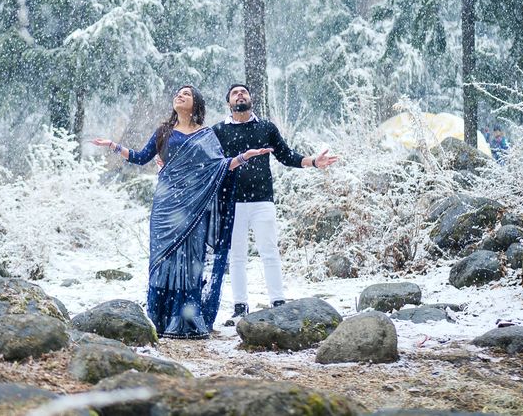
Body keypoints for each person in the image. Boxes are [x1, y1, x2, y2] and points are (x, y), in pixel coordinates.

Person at [92, 85, 271, 339]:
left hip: (194, 207)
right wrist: (113, 145)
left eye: (186, 94)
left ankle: (185, 319)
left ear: (195, 103)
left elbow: (218, 167)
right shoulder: (164, 131)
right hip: (165, 208)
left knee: (191, 262)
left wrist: (243, 157)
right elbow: (141, 157)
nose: (180, 95)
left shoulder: (206, 134)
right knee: (163, 262)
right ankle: (160, 318)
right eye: (178, 93)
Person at [211, 84, 339, 320]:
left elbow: (286, 155)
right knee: (237, 256)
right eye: (235, 93)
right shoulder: (218, 130)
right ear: (228, 103)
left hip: (262, 200)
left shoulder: (266, 127)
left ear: (251, 99)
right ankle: (240, 307)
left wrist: (312, 162)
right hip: (231, 202)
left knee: (269, 252)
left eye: (244, 92)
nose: (240, 95)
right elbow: (207, 162)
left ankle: (278, 302)